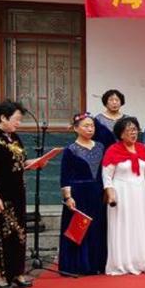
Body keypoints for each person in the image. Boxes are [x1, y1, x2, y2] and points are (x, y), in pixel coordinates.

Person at [0, 101, 45, 288]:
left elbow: (20, 162)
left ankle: (17, 273)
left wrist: (36, 162)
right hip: (0, 194)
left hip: (17, 194)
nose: (19, 123)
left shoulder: (13, 137)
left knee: (18, 234)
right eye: (16, 119)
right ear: (3, 118)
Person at [102, 116, 145, 276]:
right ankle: (124, 261)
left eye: (135, 129)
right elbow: (106, 174)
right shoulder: (113, 150)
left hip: (140, 191)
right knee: (124, 224)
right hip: (122, 191)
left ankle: (144, 259)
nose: (133, 133)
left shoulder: (142, 149)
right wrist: (110, 192)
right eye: (129, 130)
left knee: (141, 223)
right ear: (120, 134)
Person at [58, 113, 107, 276]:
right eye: (86, 126)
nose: (90, 129)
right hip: (78, 193)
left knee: (97, 227)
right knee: (78, 227)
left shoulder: (100, 147)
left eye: (92, 126)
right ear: (76, 128)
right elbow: (65, 176)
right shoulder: (70, 150)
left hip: (97, 192)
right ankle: (75, 266)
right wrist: (68, 197)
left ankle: (96, 264)